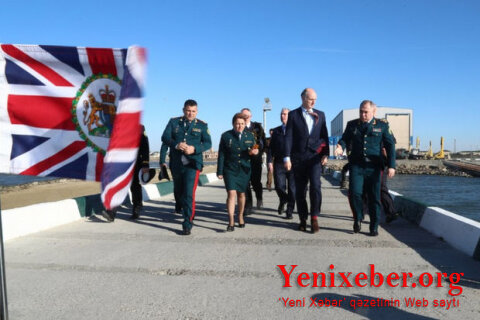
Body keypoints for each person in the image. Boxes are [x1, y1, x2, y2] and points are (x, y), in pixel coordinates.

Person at [335, 100, 396, 236]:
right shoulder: (352, 125)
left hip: (374, 167)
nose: (363, 114)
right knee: (355, 193)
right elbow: (345, 139)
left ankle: (374, 226)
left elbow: (390, 145)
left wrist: (391, 165)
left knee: (374, 196)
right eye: (361, 111)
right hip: (357, 166)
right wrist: (340, 147)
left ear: (374, 112)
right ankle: (358, 218)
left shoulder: (382, 125)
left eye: (366, 112)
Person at [161, 99, 212, 235]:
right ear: (183, 110)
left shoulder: (202, 125)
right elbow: (165, 137)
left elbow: (207, 144)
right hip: (177, 163)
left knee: (189, 193)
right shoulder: (174, 122)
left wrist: (194, 149)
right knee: (179, 192)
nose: (190, 113)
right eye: (188, 111)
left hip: (193, 163)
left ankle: (187, 222)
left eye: (193, 111)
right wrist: (176, 145)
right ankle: (183, 208)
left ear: (197, 111)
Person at [284, 88, 329, 233]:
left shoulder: (320, 115)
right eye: (310, 99)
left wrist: (325, 154)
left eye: (315, 99)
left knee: (316, 186)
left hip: (314, 157)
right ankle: (303, 218)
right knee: (300, 191)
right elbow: (289, 137)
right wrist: (287, 157)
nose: (313, 101)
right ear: (303, 98)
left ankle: (314, 216)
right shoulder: (293, 115)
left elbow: (324, 135)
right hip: (298, 159)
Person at [217, 113, 257, 231]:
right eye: (237, 123)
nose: (240, 126)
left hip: (244, 169)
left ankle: (240, 215)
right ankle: (231, 221)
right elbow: (222, 155)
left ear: (245, 124)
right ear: (233, 124)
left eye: (242, 124)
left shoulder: (250, 136)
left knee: (241, 194)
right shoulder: (225, 136)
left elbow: (255, 150)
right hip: (230, 169)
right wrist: (219, 171)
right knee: (231, 194)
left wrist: (254, 153)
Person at [102, 124, 150, 222]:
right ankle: (111, 213)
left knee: (135, 186)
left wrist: (145, 164)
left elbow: (145, 147)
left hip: (135, 162)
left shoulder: (140, 127)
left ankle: (137, 208)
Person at [267, 108, 295, 219]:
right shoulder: (276, 131)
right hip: (279, 163)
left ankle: (289, 210)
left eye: (285, 114)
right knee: (279, 186)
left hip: (293, 163)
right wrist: (269, 161)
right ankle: (283, 199)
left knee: (293, 188)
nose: (282, 115)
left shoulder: (295, 130)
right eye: (281, 113)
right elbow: (270, 148)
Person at [241, 108, 266, 214]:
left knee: (256, 182)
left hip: (256, 159)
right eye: (244, 115)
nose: (246, 117)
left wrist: (257, 149)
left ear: (251, 116)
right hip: (244, 159)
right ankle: (248, 206)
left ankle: (259, 197)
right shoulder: (239, 126)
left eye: (247, 115)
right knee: (245, 183)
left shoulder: (257, 127)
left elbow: (263, 141)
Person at [159, 142, 181, 214]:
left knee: (188, 187)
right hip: (175, 163)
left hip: (190, 163)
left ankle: (188, 209)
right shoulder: (171, 130)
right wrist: (162, 161)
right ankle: (178, 207)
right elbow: (164, 145)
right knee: (177, 186)